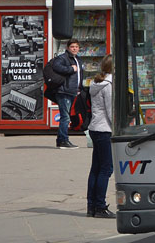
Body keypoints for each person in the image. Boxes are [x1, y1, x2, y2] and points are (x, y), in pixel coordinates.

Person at [86, 55, 115, 218]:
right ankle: (100, 206)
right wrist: (118, 128)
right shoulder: (109, 85)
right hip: (105, 129)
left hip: (95, 127)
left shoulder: (96, 83)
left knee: (95, 169)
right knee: (106, 168)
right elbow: (110, 111)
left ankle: (91, 206)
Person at [49, 39, 85, 149]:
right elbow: (56, 66)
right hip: (64, 91)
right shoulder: (63, 58)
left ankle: (60, 140)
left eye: (76, 47)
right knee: (65, 117)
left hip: (73, 91)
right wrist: (70, 69)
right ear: (68, 48)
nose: (74, 48)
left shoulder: (78, 59)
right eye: (72, 47)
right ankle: (64, 140)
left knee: (66, 116)